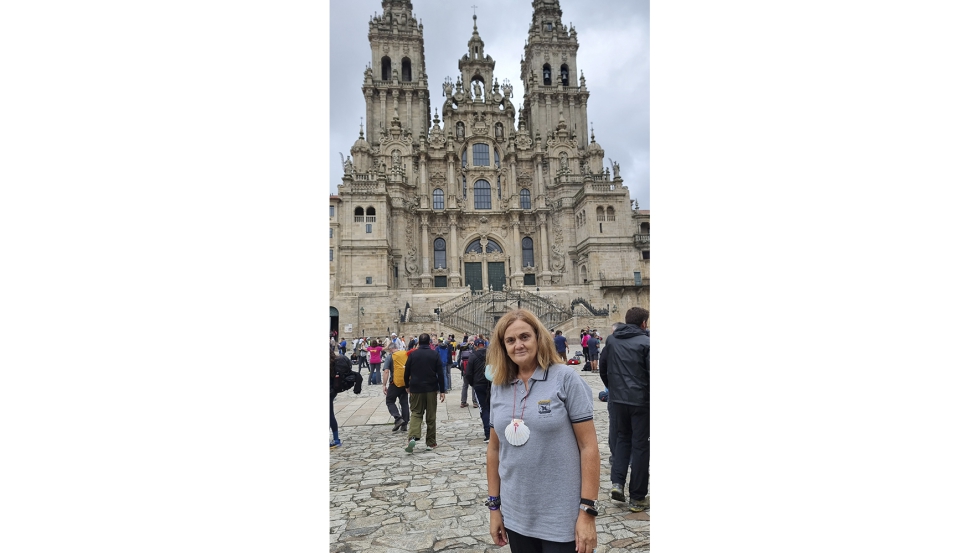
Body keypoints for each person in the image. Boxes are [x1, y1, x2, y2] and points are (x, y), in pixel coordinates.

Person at [485, 309, 599, 553]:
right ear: (502, 346)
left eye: (525, 337)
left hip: (562, 515)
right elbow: (494, 448)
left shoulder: (566, 379)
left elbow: (588, 446)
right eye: (510, 340)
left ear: (538, 337)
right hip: (517, 513)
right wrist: (494, 507)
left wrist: (587, 511)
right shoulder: (499, 385)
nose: (518, 345)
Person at [599, 307, 650, 513]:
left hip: (618, 399)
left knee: (622, 439)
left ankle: (617, 483)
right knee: (640, 446)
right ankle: (637, 497)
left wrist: (613, 388)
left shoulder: (611, 341)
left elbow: (603, 368)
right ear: (643, 323)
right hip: (640, 402)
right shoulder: (647, 343)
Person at [403, 333, 446, 453]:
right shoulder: (434, 354)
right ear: (429, 343)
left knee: (416, 413)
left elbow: (406, 372)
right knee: (431, 416)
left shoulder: (413, 355)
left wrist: (407, 386)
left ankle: (413, 436)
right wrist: (442, 390)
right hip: (431, 388)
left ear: (418, 343)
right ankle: (431, 442)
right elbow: (440, 374)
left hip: (416, 388)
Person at [465, 338, 491, 442]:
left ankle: (488, 433)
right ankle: (495, 432)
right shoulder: (491, 355)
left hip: (478, 384)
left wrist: (472, 383)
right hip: (491, 383)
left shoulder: (473, 356)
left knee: (484, 409)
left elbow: (468, 373)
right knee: (492, 408)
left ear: (475, 346)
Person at [329, 349, 356, 448]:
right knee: (330, 414)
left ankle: (336, 440)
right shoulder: (335, 361)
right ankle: (336, 439)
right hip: (332, 391)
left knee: (329, 415)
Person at [382, 343, 410, 432]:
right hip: (405, 383)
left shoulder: (390, 357)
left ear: (390, 350)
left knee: (390, 401)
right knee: (404, 403)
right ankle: (405, 424)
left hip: (395, 383)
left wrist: (384, 385)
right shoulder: (405, 354)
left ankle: (398, 419)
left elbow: (386, 371)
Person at [458, 342, 478, 407]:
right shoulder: (473, 350)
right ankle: (475, 402)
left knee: (465, 386)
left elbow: (458, 361)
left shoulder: (462, 351)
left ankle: (463, 402)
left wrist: (462, 370)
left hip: (465, 371)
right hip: (472, 371)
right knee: (473, 386)